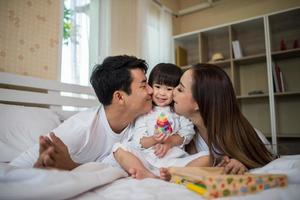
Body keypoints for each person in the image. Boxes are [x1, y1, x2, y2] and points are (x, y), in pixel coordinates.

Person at [10, 55, 153, 170]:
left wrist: (72, 167)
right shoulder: (80, 128)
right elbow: (15, 168)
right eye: (143, 85)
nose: (151, 90)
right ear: (120, 97)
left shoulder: (144, 122)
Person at [160, 63, 275, 180]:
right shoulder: (185, 133)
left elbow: (268, 163)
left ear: (198, 103)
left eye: (180, 89)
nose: (172, 91)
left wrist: (244, 164)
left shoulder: (248, 137)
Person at [112, 63, 210, 179]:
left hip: (175, 162)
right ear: (150, 86)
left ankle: (173, 175)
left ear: (176, 90)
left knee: (208, 156)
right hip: (148, 161)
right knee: (118, 148)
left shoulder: (178, 111)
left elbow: (188, 132)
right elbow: (138, 141)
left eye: (169, 89)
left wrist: (170, 141)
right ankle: (145, 173)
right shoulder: (145, 112)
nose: (162, 93)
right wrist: (154, 139)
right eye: (157, 87)